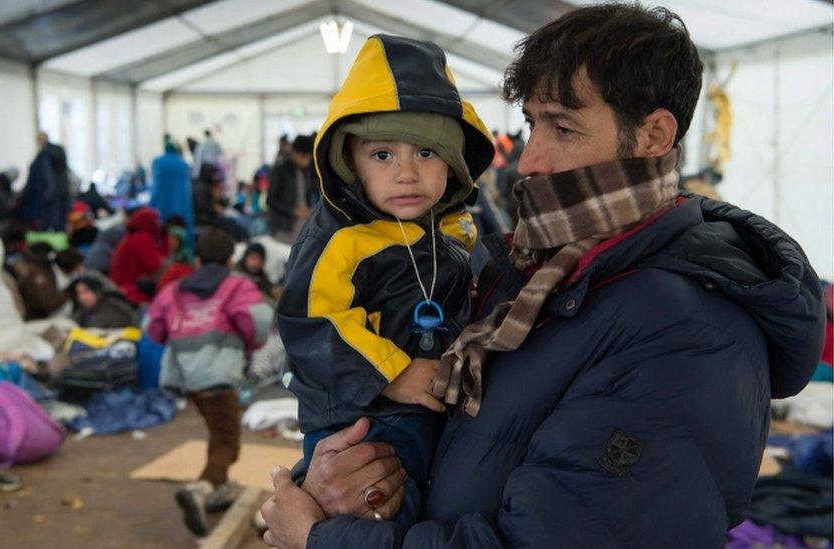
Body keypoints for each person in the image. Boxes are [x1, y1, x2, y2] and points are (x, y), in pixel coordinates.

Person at [262, 6, 826, 548]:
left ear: (653, 135)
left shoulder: (687, 330)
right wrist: (351, 475)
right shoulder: (538, 269)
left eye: (563, 127)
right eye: (532, 123)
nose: (529, 160)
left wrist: (323, 537)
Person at [276, 34, 494, 525]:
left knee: (426, 510)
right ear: (349, 160)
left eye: (425, 153)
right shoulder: (340, 238)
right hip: (362, 421)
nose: (406, 174)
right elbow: (310, 320)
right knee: (384, 516)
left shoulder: (447, 231)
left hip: (422, 412)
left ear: (455, 160)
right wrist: (392, 372)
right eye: (382, 156)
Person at [146, 228, 272, 536]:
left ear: (199, 259)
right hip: (218, 376)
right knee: (228, 442)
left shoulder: (175, 289)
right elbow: (257, 324)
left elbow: (153, 328)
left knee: (217, 432)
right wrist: (249, 344)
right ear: (231, 260)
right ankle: (201, 488)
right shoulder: (236, 286)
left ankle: (219, 487)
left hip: (187, 380)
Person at [267, 134, 319, 243]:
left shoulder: (307, 171)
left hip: (303, 224)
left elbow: (308, 194)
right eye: (303, 157)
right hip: (283, 227)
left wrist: (310, 209)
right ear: (294, 153)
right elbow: (270, 200)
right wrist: (293, 211)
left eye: (309, 158)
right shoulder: (279, 170)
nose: (306, 161)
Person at [109, 207, 166, 304]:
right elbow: (155, 265)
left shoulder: (132, 237)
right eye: (156, 221)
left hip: (121, 286)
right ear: (148, 222)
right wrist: (165, 238)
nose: (159, 224)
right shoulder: (142, 238)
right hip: (131, 290)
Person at [17, 132, 71, 231]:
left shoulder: (47, 154)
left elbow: (47, 177)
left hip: (53, 195)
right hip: (57, 193)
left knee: (55, 224)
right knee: (57, 224)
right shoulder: (53, 152)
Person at [150, 138, 196, 250]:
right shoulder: (183, 164)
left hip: (160, 200)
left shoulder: (157, 162)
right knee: (181, 230)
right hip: (180, 201)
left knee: (159, 228)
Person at [68, 272, 138, 329]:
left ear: (98, 290)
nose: (81, 297)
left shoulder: (114, 309)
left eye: (86, 291)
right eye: (78, 293)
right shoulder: (86, 310)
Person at [157, 225, 196, 291]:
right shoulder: (171, 252)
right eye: (169, 240)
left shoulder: (186, 253)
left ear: (179, 241)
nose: (170, 242)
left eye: (173, 240)